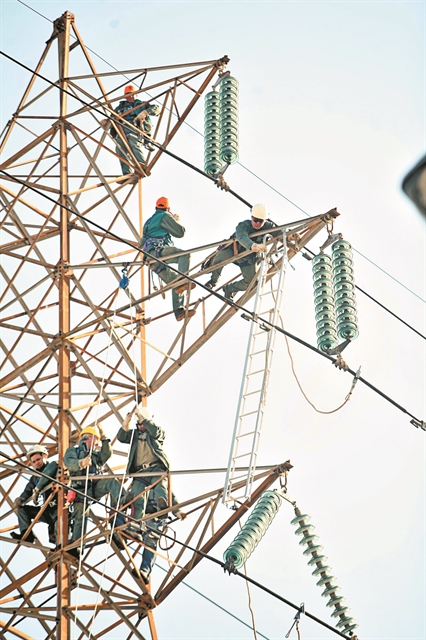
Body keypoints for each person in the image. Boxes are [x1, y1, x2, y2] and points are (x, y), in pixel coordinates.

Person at [64, 425, 126, 556]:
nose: (97, 443)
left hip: (94, 488)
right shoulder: (73, 451)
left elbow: (107, 453)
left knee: (111, 482)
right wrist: (82, 463)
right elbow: (70, 463)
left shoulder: (96, 456)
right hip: (80, 490)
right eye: (96, 439)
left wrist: (104, 438)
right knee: (81, 517)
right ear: (88, 438)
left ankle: (122, 508)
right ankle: (77, 546)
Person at [117, 404, 172, 539]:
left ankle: (162, 509)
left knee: (160, 487)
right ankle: (136, 526)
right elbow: (122, 437)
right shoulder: (135, 435)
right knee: (138, 498)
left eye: (142, 423)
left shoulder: (156, 432)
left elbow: (157, 432)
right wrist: (126, 423)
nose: (140, 426)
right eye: (139, 424)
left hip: (155, 469)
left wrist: (143, 418)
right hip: (140, 472)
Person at [205, 203, 282, 300]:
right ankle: (213, 281)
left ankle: (229, 289)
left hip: (248, 258)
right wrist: (253, 246)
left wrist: (291, 236)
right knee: (219, 259)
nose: (257, 223)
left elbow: (281, 233)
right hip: (233, 250)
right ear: (251, 217)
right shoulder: (243, 225)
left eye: (261, 221)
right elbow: (242, 237)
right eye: (255, 220)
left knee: (251, 284)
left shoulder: (268, 227)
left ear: (264, 220)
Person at [141, 197, 196, 321]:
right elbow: (180, 232)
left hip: (151, 260)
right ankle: (183, 281)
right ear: (168, 208)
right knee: (185, 255)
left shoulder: (148, 222)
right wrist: (177, 221)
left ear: (156, 207)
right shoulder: (164, 215)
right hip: (159, 252)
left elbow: (142, 241)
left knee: (175, 283)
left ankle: (179, 311)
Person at [127, 486, 186, 583]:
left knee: (150, 541)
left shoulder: (162, 487)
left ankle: (144, 571)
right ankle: (117, 537)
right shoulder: (141, 485)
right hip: (140, 517)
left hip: (155, 518)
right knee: (127, 530)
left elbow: (172, 499)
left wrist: (179, 512)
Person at [11, 445, 58, 544]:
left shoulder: (54, 467)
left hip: (58, 509)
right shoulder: (35, 478)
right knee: (23, 510)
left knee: (57, 537)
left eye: (38, 459)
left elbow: (47, 473)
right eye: (34, 462)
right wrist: (21, 499)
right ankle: (26, 535)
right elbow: (28, 490)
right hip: (47, 511)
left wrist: (37, 490)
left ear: (45, 456)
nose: (37, 463)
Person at [109, 84, 160, 176]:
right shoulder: (120, 107)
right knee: (120, 148)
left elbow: (157, 108)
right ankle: (126, 173)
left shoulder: (141, 105)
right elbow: (111, 117)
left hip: (135, 127)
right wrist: (107, 122)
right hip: (121, 129)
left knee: (134, 142)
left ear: (136, 95)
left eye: (132, 94)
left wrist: (145, 112)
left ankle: (142, 165)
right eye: (128, 94)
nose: (130, 96)